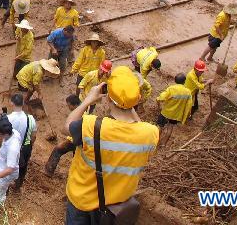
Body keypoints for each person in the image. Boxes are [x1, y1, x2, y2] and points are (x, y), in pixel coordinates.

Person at [63, 66, 159, 224]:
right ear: (139, 98)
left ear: (107, 97)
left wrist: (88, 99)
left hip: (82, 201)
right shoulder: (150, 133)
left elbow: (67, 126)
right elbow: (138, 126)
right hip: (115, 208)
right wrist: (130, 104)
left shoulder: (91, 125)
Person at [43, 94, 82, 176]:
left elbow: (74, 131)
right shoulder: (84, 107)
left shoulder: (78, 115)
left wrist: (69, 140)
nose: (68, 107)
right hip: (82, 140)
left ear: (73, 105)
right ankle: (75, 174)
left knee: (58, 149)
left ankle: (48, 171)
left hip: (76, 139)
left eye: (69, 105)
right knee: (77, 158)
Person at [7, 93, 38, 192]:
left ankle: (5, 189)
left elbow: (0, 137)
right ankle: (18, 187)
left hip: (11, 147)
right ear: (23, 103)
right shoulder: (31, 119)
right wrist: (29, 145)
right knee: (23, 167)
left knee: (7, 167)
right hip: (25, 147)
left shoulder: (8, 119)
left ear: (11, 103)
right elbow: (34, 136)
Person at [156, 74, 193, 147]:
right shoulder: (188, 92)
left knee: (160, 127)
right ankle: (164, 144)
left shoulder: (171, 89)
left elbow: (161, 98)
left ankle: (156, 142)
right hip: (176, 115)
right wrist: (187, 115)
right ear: (184, 82)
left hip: (166, 112)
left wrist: (158, 105)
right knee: (170, 128)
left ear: (175, 81)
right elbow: (189, 105)